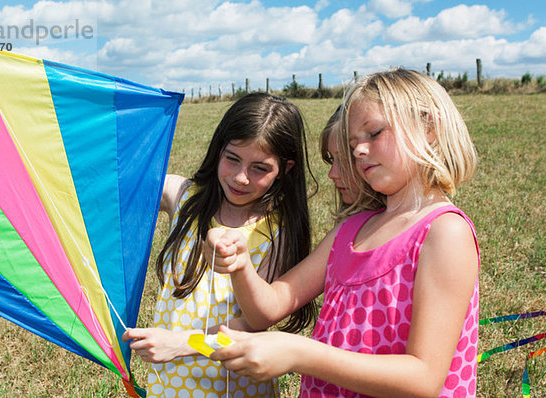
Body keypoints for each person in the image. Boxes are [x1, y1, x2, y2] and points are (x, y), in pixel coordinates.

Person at [206, 68, 480, 397]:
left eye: (374, 133)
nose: (359, 151)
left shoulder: (444, 231)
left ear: (430, 127)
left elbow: (423, 378)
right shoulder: (350, 230)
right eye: (352, 145)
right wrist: (240, 265)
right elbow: (270, 306)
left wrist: (299, 353)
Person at [122, 92, 317, 397]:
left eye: (260, 168)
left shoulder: (278, 232)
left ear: (286, 169)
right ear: (218, 150)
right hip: (169, 385)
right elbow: (124, 184)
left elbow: (254, 324)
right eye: (232, 159)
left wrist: (181, 343)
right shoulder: (184, 197)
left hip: (235, 388)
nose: (241, 178)